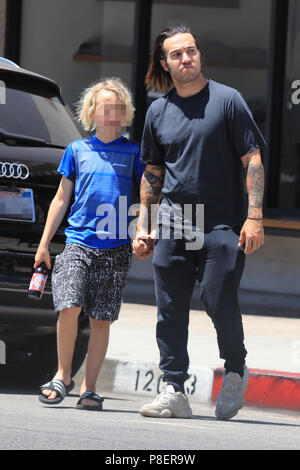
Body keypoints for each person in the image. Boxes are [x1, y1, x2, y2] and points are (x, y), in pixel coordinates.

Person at [133, 25, 266, 420]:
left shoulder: (228, 101)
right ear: (165, 64)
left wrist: (254, 217)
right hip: (176, 221)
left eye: (190, 51)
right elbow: (153, 172)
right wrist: (144, 226)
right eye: (176, 54)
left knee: (217, 298)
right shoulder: (158, 111)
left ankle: (237, 370)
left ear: (199, 55)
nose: (186, 58)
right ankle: (173, 387)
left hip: (222, 223)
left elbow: (253, 161)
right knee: (170, 308)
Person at [36, 77, 145, 409]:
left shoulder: (134, 153)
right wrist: (44, 244)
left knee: (101, 318)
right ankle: (62, 375)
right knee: (68, 305)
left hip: (116, 248)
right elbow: (60, 199)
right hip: (77, 243)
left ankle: (89, 387)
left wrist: (142, 231)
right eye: (104, 108)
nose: (110, 114)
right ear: (91, 113)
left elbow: (146, 198)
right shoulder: (77, 150)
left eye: (117, 109)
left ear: (124, 114)